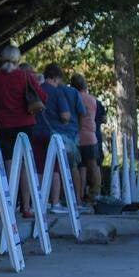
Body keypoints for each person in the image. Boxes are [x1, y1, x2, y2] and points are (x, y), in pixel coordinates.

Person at [0, 45, 47, 217]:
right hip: (26, 123)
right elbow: (42, 97)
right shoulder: (25, 76)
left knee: (9, 163)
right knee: (25, 164)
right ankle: (26, 207)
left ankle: (9, 205)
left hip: (4, 124)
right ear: (18, 60)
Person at [33, 64, 85, 214]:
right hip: (54, 135)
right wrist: (65, 120)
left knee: (38, 167)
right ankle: (55, 202)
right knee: (55, 167)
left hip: (36, 132)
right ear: (56, 78)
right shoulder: (57, 93)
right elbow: (65, 116)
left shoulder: (38, 89)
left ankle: (40, 200)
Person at [71, 74, 100, 210]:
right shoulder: (92, 99)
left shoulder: (73, 97)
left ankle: (79, 195)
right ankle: (95, 194)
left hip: (77, 136)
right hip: (91, 136)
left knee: (78, 167)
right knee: (93, 166)